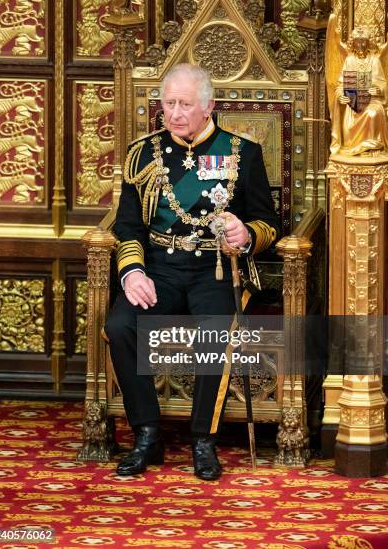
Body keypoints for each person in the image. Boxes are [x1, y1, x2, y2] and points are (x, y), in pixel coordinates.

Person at [105, 63, 278, 480]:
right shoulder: (143, 154)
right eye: (169, 104)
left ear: (209, 106)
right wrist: (132, 273)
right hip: (158, 268)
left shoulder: (241, 152)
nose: (176, 113)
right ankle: (147, 434)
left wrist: (246, 233)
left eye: (185, 104)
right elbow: (127, 225)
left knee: (215, 328)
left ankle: (204, 440)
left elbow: (269, 223)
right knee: (121, 323)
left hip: (214, 268)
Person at [330, 27, 388, 156]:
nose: (360, 45)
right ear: (353, 43)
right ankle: (354, 146)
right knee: (349, 123)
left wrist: (378, 90)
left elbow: (383, 83)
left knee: (373, 114)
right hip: (354, 103)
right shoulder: (349, 60)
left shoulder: (374, 60)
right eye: (357, 41)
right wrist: (341, 96)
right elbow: (340, 86)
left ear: (368, 43)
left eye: (363, 41)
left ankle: (372, 147)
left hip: (373, 101)